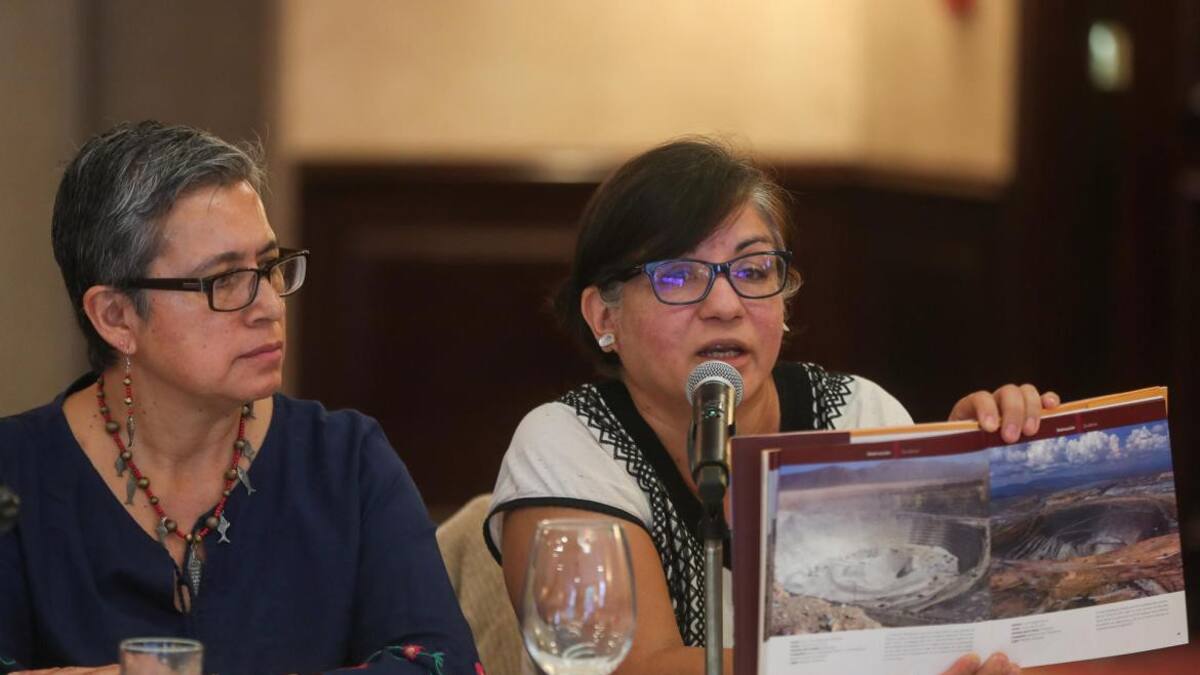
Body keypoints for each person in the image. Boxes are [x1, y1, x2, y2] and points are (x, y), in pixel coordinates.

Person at [485, 138, 1057, 675]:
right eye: (679, 276)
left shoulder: (860, 412)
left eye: (753, 270)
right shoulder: (567, 443)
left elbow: (935, 633)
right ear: (604, 318)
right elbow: (619, 669)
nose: (726, 304)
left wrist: (984, 470)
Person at [0, 121, 482, 675]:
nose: (271, 306)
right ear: (116, 316)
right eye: (224, 280)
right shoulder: (15, 477)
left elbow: (440, 664)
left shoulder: (344, 462)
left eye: (271, 267)